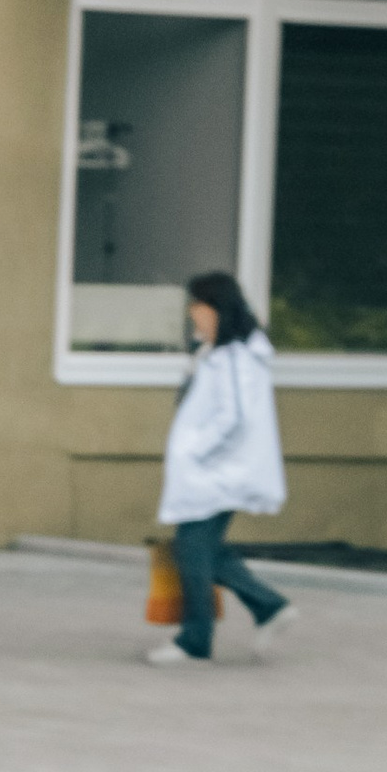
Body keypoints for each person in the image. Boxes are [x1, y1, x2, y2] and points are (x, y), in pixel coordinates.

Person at [149, 267, 295, 666]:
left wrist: (195, 450)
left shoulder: (233, 356)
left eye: (198, 304)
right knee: (200, 549)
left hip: (218, 472)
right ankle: (268, 607)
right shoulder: (219, 352)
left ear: (216, 308)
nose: (192, 312)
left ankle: (196, 640)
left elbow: (233, 416)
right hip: (214, 472)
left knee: (192, 550)